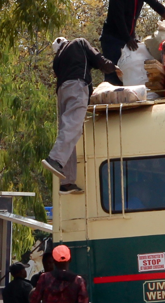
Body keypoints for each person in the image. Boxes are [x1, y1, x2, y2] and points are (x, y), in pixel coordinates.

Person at [42, 37, 120, 195]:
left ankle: (67, 181)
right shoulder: (79, 43)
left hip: (62, 92)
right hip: (77, 87)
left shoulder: (57, 60)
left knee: (69, 129)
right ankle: (55, 159)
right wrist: (113, 67)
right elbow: (99, 60)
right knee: (73, 126)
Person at [101, 0, 165, 84]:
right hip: (112, 39)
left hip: (127, 38)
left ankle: (128, 95)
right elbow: (118, 19)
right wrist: (128, 38)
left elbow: (155, 4)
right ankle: (111, 99)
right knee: (112, 72)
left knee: (128, 69)